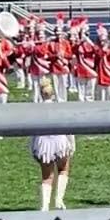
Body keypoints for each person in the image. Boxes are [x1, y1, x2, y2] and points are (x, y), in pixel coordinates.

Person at [30, 80, 75, 210]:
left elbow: (32, 131)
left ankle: (45, 206)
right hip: (60, 141)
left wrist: (32, 147)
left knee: (46, 177)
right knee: (63, 169)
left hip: (43, 144)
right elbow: (68, 128)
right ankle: (59, 200)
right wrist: (72, 144)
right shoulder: (59, 108)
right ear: (53, 94)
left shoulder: (36, 111)